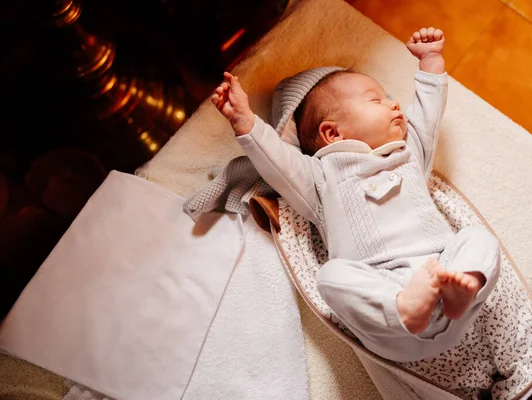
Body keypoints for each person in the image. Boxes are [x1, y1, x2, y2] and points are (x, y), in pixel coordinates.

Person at [210, 27, 501, 362]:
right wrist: (245, 121)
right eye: (377, 100)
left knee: (479, 238)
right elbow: (278, 161)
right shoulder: (319, 178)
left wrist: (431, 61)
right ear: (332, 133)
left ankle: (464, 285)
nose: (395, 103)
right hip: (388, 313)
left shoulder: (408, 152)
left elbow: (428, 114)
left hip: (443, 274)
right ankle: (403, 308)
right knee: (330, 277)